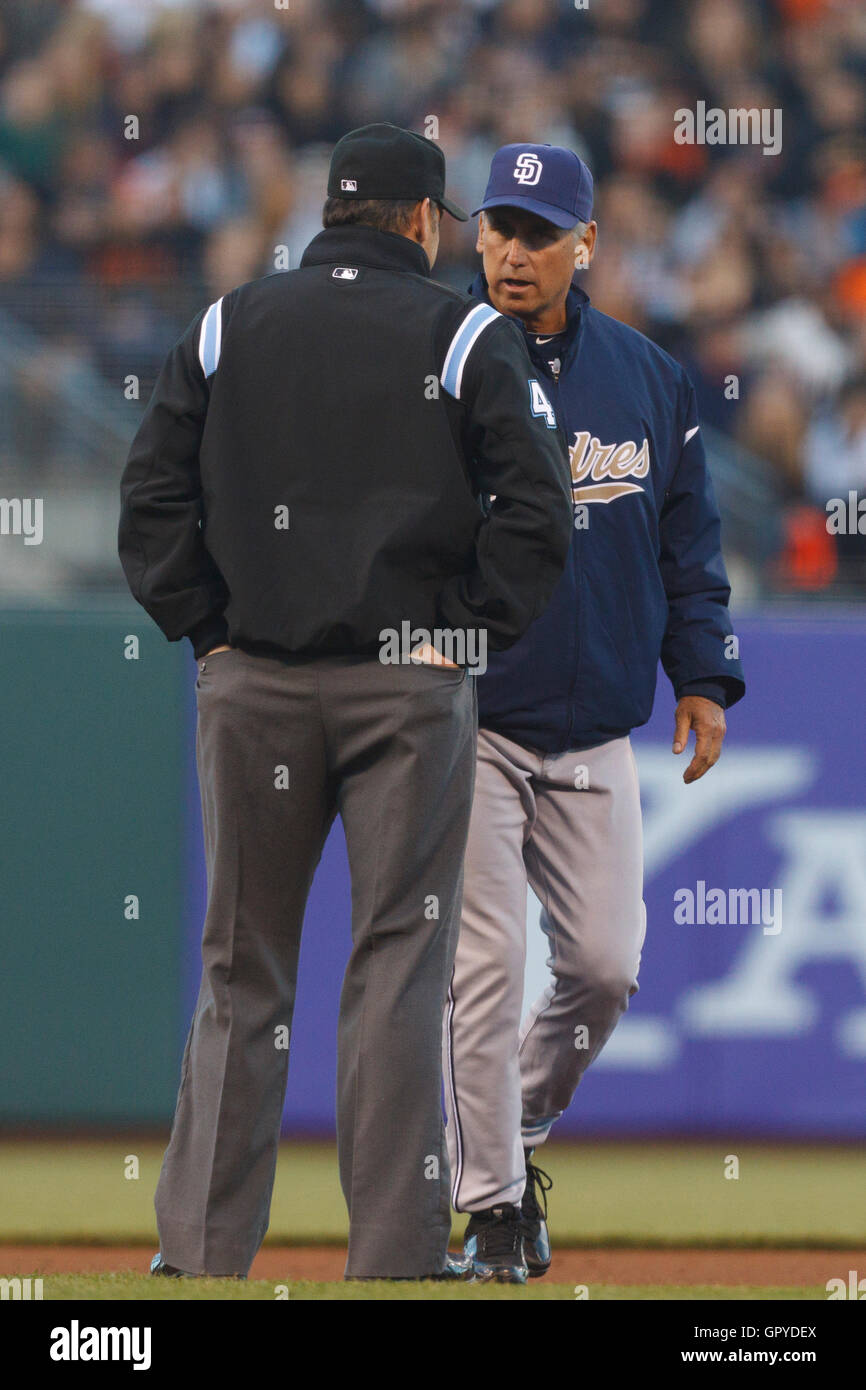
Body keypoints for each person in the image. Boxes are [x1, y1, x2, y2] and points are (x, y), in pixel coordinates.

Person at [118, 124, 573, 1282]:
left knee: (239, 971)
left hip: (253, 683)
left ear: (331, 211)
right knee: (395, 973)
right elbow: (535, 518)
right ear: (425, 223)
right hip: (406, 690)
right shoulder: (466, 331)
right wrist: (460, 630)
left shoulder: (230, 322)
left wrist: (210, 632)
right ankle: (393, 1252)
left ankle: (202, 1254)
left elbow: (150, 499)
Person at [443, 143, 746, 1283]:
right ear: (473, 235)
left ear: (586, 246)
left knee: (606, 965)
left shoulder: (646, 377)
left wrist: (703, 675)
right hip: (469, 710)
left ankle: (506, 1137)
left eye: (537, 232)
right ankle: (491, 1206)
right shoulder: (440, 359)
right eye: (497, 228)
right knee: (482, 969)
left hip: (594, 722)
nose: (512, 251)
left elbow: (686, 543)